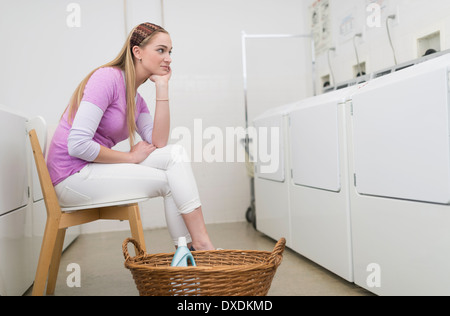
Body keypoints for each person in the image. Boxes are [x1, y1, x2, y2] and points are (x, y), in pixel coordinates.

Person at [46, 22, 215, 251]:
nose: (168, 58)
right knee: (173, 182)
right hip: (71, 177)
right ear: (137, 52)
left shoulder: (135, 98)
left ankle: (196, 249)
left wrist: (162, 88)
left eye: (170, 51)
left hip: (93, 169)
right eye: (161, 50)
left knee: (175, 155)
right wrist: (130, 158)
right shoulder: (107, 78)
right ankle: (195, 252)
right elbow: (77, 145)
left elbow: (159, 144)